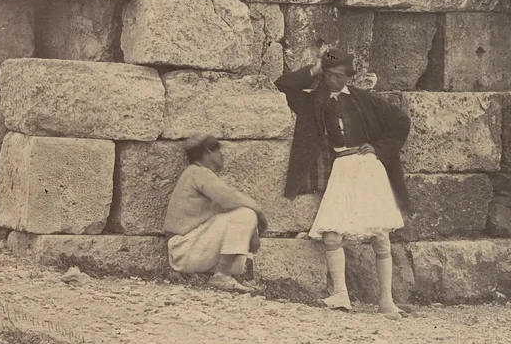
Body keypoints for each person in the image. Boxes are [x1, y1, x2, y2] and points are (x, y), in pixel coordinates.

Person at [275, 48, 411, 318]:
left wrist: (378, 148)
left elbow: (401, 121)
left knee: (381, 234)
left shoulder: (364, 100)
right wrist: (313, 69)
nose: (334, 80)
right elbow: (283, 85)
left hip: (368, 168)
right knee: (332, 231)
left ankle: (386, 301)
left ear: (349, 76)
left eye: (340, 76)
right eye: (329, 75)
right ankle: (340, 294)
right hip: (340, 168)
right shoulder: (313, 100)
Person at [163, 133, 268, 293]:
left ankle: (242, 277)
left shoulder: (200, 174)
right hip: (183, 249)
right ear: (208, 152)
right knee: (246, 214)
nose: (222, 155)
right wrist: (259, 213)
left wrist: (253, 231)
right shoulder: (197, 172)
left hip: (189, 250)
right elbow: (230, 199)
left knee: (243, 215)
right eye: (218, 150)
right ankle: (222, 276)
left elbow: (230, 206)